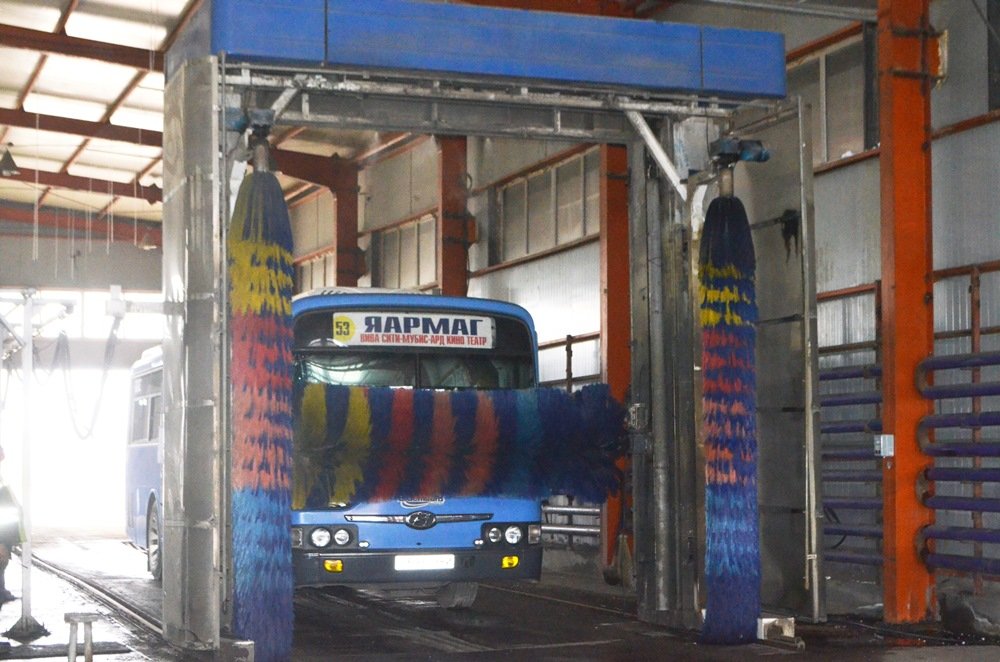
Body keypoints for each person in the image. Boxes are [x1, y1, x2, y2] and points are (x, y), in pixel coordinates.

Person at [0, 445, 21, 603]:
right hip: (2, 535)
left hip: (5, 534)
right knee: (1, 560)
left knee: (2, 562)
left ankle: (1, 590)